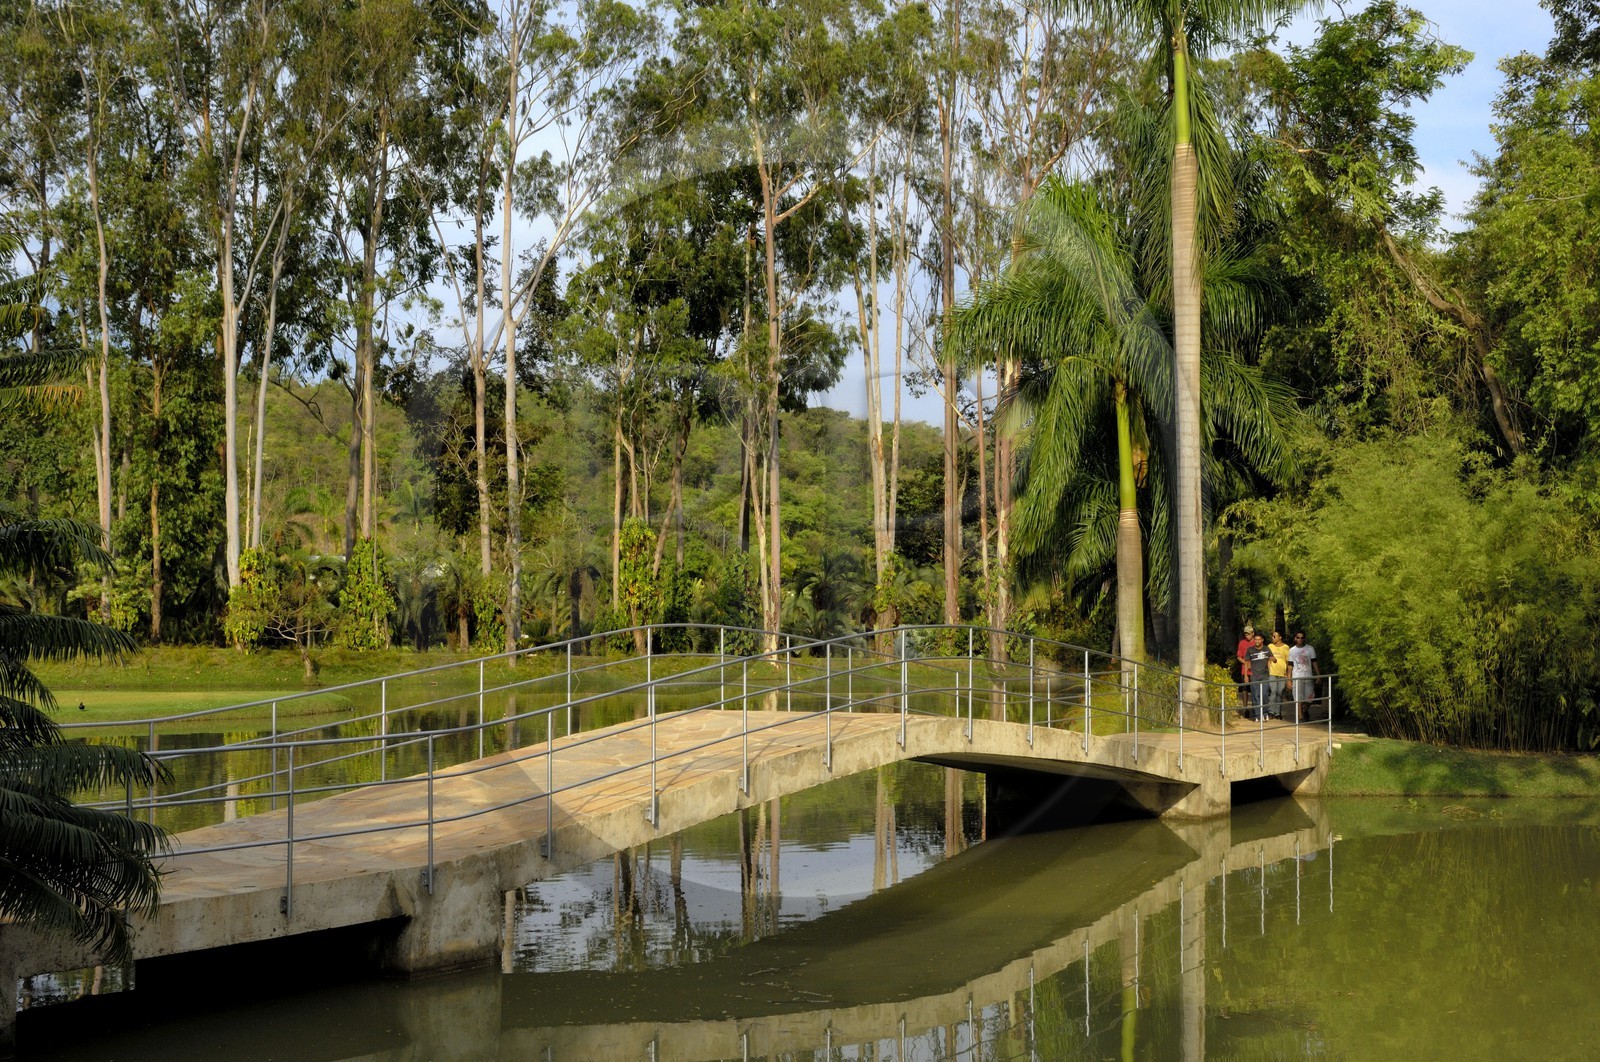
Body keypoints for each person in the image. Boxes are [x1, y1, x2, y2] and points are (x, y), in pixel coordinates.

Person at [1288, 631, 1321, 721]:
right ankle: (1300, 716)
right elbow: (1290, 665)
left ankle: (1304, 709)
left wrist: (1318, 675)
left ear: (1304, 639)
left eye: (1302, 638)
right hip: (1297, 676)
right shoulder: (1292, 650)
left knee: (1311, 697)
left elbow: (1314, 662)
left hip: (1308, 675)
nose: (1300, 639)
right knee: (1299, 697)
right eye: (1298, 637)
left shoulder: (1310, 649)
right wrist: (1289, 679)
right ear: (1295, 638)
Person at [1245, 633, 1273, 721]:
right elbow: (1246, 663)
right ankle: (1257, 715)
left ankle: (1265, 713)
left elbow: (1272, 659)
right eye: (1255, 639)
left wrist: (1274, 660)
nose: (1257, 641)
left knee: (1264, 695)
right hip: (1254, 676)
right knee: (1255, 695)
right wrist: (1246, 676)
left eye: (1258, 639)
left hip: (1264, 675)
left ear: (1262, 640)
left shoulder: (1266, 649)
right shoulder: (1250, 650)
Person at [1267, 630, 1290, 719]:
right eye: (1272, 636)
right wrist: (1269, 670)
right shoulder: (1270, 646)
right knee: (1273, 691)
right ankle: (1271, 711)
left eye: (1274, 636)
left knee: (1279, 693)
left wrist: (1287, 674)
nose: (1273, 638)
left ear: (1280, 637)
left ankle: (1278, 712)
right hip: (1272, 672)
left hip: (1282, 674)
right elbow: (1268, 660)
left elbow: (1288, 662)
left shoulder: (1286, 647)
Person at [1234, 623, 1256, 711]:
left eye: (1249, 634)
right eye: (1246, 634)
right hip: (1245, 670)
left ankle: (1255, 708)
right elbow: (1239, 656)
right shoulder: (1242, 643)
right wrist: (1246, 663)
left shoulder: (1256, 642)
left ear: (1253, 633)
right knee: (1245, 689)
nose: (1247, 636)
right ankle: (1245, 708)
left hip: (1255, 670)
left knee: (1255, 689)